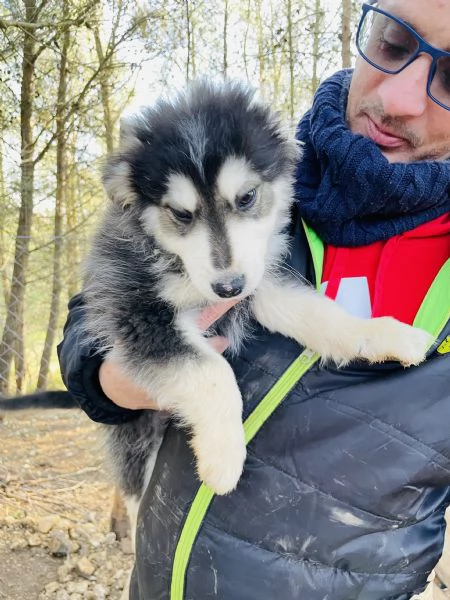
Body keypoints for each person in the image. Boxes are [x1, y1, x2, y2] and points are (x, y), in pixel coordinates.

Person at [58, 1, 450, 598]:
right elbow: (95, 324)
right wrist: (104, 375)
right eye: (394, 43)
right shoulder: (270, 160)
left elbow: (274, 297)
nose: (399, 98)